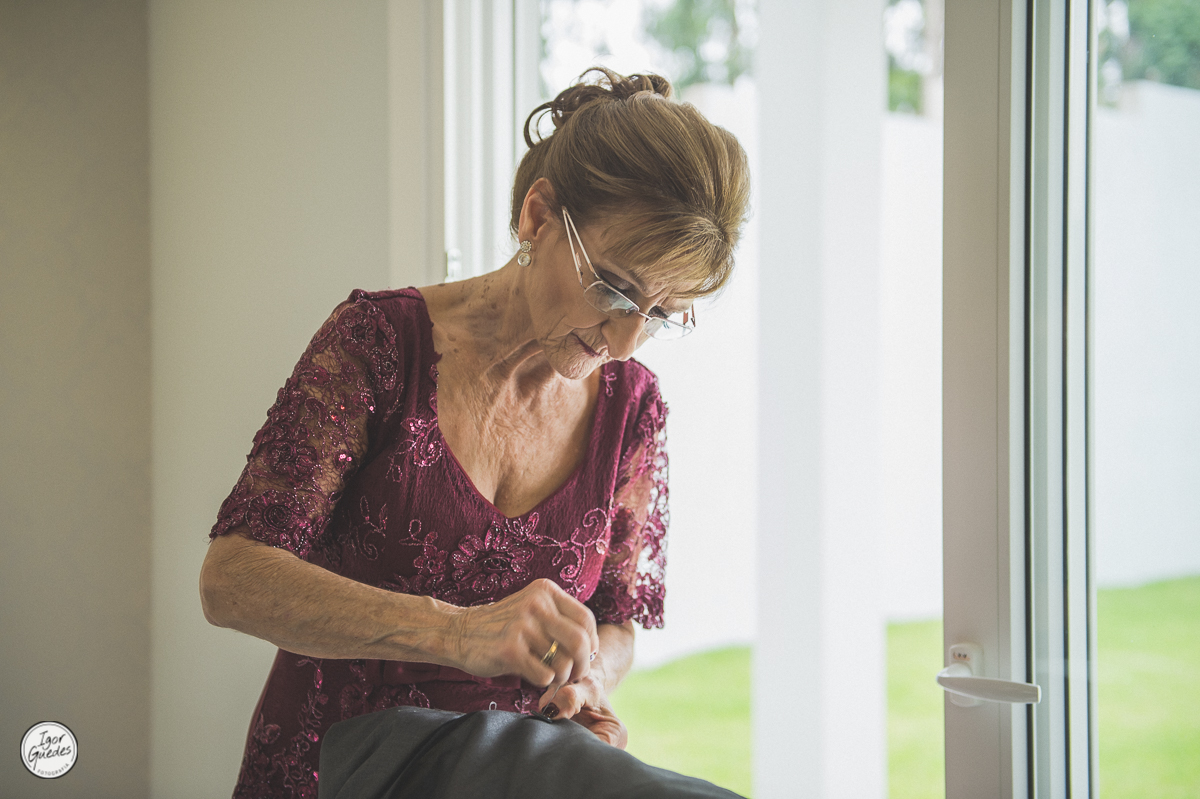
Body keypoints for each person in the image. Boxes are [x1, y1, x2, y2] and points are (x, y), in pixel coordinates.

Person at [199, 67, 750, 799]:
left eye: (657, 313)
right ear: (537, 215)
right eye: (615, 288)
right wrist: (459, 631)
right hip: (327, 773)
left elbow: (616, 621)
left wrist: (587, 675)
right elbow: (231, 579)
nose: (622, 340)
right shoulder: (380, 343)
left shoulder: (632, 407)